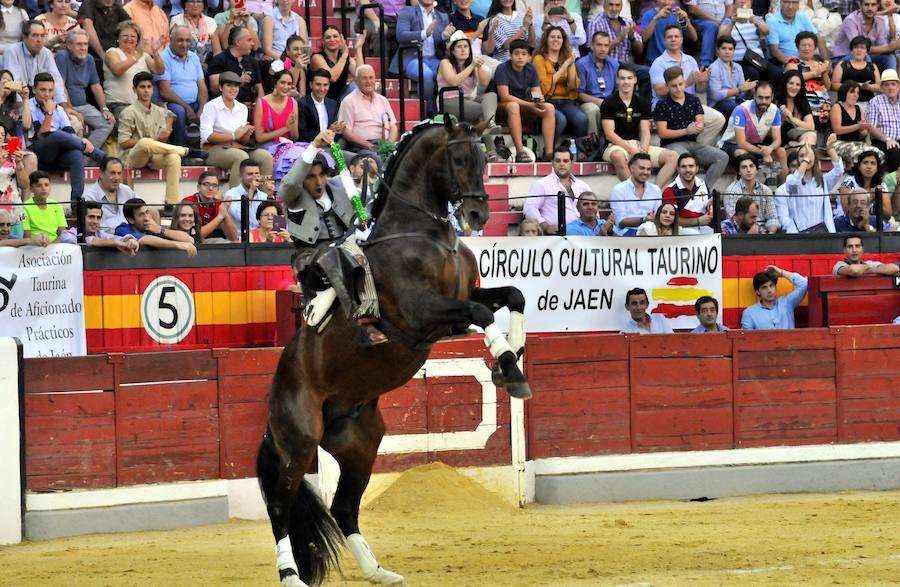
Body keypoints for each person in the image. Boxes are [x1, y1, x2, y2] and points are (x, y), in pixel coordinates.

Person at [279, 129, 386, 345]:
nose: (318, 182)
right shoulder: (294, 195)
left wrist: (374, 176)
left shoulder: (339, 186)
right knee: (339, 256)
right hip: (309, 257)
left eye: (322, 175)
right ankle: (364, 323)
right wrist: (314, 146)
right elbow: (290, 184)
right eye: (311, 176)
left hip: (345, 246)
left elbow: (367, 202)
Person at [119, 72, 207, 208]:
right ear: (134, 90)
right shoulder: (128, 112)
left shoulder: (159, 111)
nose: (146, 90)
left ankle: (170, 204)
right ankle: (185, 150)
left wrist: (168, 125)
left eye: (149, 87)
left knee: (174, 158)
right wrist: (154, 140)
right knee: (144, 142)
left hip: (155, 156)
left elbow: (171, 115)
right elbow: (124, 142)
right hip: (135, 157)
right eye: (142, 87)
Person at [25, 72, 106, 201]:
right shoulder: (29, 106)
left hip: (58, 156)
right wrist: (49, 113)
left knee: (76, 155)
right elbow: (42, 136)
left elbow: (69, 135)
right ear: (34, 90)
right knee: (56, 135)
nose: (47, 94)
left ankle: (76, 202)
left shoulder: (59, 109)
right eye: (42, 90)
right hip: (39, 154)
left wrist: (81, 141)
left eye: (50, 90)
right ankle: (98, 155)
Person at [601, 64, 678, 187]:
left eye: (629, 78)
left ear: (635, 80)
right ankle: (634, 192)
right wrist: (631, 150)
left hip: (637, 144)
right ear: (617, 80)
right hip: (616, 145)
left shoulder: (642, 102)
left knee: (673, 156)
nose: (626, 82)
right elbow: (609, 134)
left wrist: (643, 150)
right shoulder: (608, 102)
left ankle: (654, 192)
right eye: (622, 78)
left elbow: (645, 131)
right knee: (618, 156)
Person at [648, 24, 726, 146]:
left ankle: (699, 148)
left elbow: (700, 90)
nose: (673, 39)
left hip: (689, 105)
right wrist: (688, 81)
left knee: (718, 119)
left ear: (682, 39)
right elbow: (660, 91)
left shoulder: (690, 60)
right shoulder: (659, 63)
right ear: (664, 40)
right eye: (669, 37)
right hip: (667, 107)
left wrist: (702, 81)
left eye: (676, 36)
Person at [654, 66, 729, 188]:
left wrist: (698, 127)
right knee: (686, 159)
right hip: (671, 145)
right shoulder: (662, 104)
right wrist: (686, 130)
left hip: (693, 143)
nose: (678, 88)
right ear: (667, 86)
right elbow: (663, 133)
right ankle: (686, 190)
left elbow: (700, 123)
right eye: (674, 86)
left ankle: (704, 190)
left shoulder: (693, 100)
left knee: (722, 157)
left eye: (681, 84)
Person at [200, 71, 274, 187]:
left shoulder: (242, 108)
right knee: (240, 157)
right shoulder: (211, 106)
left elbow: (243, 141)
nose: (233, 89)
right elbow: (206, 136)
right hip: (213, 148)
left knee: (265, 157)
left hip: (236, 146)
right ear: (220, 87)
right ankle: (236, 199)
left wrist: (246, 134)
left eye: (236, 86)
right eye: (229, 85)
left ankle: (263, 198)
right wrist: (234, 136)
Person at [493, 39, 560, 162]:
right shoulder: (502, 68)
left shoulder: (531, 69)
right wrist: (530, 105)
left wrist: (538, 100)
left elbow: (536, 91)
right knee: (513, 106)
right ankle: (520, 152)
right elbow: (504, 96)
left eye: (523, 54)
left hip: (524, 106)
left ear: (529, 57)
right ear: (510, 55)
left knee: (549, 107)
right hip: (503, 108)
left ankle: (549, 153)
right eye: (516, 53)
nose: (520, 57)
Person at [55, 28, 114, 152]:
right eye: (79, 44)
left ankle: (85, 154)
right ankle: (78, 157)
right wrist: (70, 109)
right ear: (69, 46)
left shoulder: (89, 59)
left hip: (83, 105)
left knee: (107, 123)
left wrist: (104, 108)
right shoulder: (62, 56)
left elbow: (96, 86)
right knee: (75, 123)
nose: (83, 48)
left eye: (85, 44)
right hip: (64, 106)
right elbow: (61, 86)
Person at [718, 81, 787, 183]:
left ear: (772, 97)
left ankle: (783, 191)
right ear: (754, 95)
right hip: (731, 144)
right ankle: (744, 191)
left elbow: (777, 140)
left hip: (754, 145)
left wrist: (770, 148)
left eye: (767, 98)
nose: (763, 101)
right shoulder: (741, 110)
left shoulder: (775, 110)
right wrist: (763, 153)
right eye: (760, 97)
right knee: (742, 153)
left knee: (781, 152)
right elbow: (741, 143)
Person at [391, 0, 447, 116]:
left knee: (449, 72)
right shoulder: (408, 11)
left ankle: (446, 112)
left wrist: (444, 37)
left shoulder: (442, 17)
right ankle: (428, 113)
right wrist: (424, 33)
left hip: (435, 59)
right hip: (412, 58)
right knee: (426, 74)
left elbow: (444, 46)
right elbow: (401, 36)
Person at [776, 134, 843, 232]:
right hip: (800, 234)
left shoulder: (822, 180)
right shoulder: (792, 179)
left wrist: (831, 149)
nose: (805, 158)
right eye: (801, 156)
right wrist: (806, 159)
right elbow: (794, 182)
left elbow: (839, 170)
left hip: (821, 233)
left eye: (809, 155)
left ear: (815, 159)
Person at [157, 25, 208, 148]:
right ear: (171, 40)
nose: (184, 44)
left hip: (194, 102)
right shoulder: (163, 57)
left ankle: (202, 151)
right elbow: (164, 91)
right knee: (179, 112)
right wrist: (187, 108)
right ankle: (180, 152)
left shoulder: (194, 57)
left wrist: (202, 108)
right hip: (172, 103)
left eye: (187, 40)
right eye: (180, 40)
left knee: (209, 109)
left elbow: (201, 86)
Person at [337, 64, 399, 164]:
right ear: (356, 81)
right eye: (364, 78)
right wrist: (369, 146)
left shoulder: (383, 100)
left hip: (385, 143)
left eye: (371, 78)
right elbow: (346, 132)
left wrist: (389, 145)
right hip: (363, 147)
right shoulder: (348, 101)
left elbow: (393, 126)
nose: (369, 81)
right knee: (377, 160)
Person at [586, 0, 647, 100]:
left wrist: (632, 38)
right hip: (606, 65)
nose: (614, 8)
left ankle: (642, 106)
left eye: (617, 5)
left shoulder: (627, 22)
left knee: (647, 73)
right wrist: (618, 39)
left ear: (621, 7)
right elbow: (594, 53)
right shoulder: (595, 23)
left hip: (627, 65)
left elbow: (640, 50)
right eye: (611, 5)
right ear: (604, 5)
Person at [524, 142, 590, 233]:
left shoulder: (583, 186)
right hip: (556, 237)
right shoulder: (541, 184)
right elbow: (529, 209)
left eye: (565, 161)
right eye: (558, 161)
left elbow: (594, 210)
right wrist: (546, 226)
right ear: (552, 163)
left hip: (584, 235)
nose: (562, 164)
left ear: (572, 163)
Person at [103, 20, 164, 118]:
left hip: (142, 105)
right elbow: (117, 70)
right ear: (118, 38)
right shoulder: (112, 52)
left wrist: (155, 53)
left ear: (137, 40)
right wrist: (136, 56)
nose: (129, 39)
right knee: (136, 119)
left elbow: (159, 70)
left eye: (133, 36)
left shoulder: (143, 55)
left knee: (168, 116)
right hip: (119, 104)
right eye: (125, 36)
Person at [533, 25, 586, 137]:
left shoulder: (566, 58)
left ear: (563, 41)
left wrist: (570, 65)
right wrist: (563, 67)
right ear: (546, 40)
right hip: (547, 102)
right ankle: (552, 151)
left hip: (566, 102)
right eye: (552, 37)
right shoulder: (539, 59)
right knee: (560, 120)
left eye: (559, 37)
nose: (556, 39)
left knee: (582, 119)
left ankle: (577, 151)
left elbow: (572, 87)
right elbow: (543, 87)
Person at [437, 31, 497, 126]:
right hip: (449, 101)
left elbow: (484, 83)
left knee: (491, 96)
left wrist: (479, 66)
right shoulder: (445, 62)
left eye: (466, 46)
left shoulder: (471, 63)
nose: (463, 50)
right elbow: (454, 82)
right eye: (459, 47)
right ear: (452, 50)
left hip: (468, 99)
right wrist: (472, 66)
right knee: (482, 109)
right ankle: (489, 129)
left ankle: (491, 123)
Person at [1, 20, 66, 103]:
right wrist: (26, 109)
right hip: (14, 102)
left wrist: (62, 105)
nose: (39, 40)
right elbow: (14, 85)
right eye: (35, 35)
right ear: (24, 37)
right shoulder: (12, 51)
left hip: (38, 100)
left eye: (42, 36)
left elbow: (56, 81)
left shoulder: (46, 53)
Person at [115, 197, 198, 256]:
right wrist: (179, 245)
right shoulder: (122, 229)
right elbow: (145, 239)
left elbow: (189, 239)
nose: (147, 218)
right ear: (130, 220)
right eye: (141, 215)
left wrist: (160, 229)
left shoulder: (153, 228)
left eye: (147, 212)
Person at [766, 0, 824, 81]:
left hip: (805, 60)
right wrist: (793, 64)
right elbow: (774, 51)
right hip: (782, 62)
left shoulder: (802, 17)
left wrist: (827, 61)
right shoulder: (772, 21)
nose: (790, 6)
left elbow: (818, 38)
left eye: (794, 2)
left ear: (799, 4)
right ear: (780, 3)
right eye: (787, 2)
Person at [831, 0, 895, 73]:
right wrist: (888, 48)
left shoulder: (880, 21)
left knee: (889, 57)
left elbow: (882, 46)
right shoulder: (851, 20)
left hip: (864, 56)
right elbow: (858, 47)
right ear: (860, 6)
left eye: (873, 5)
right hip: (842, 58)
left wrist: (890, 48)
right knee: (863, 55)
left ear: (878, 6)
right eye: (866, 5)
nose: (870, 8)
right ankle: (870, 83)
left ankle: (890, 81)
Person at [783, 31, 831, 126]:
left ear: (815, 48)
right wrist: (816, 72)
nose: (807, 48)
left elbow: (828, 86)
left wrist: (824, 72)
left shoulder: (819, 64)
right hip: (802, 99)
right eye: (803, 45)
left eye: (810, 45)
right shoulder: (793, 62)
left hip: (822, 101)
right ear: (797, 47)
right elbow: (793, 77)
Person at [831, 81, 883, 168]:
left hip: (857, 142)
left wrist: (863, 128)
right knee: (860, 155)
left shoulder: (859, 108)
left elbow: (864, 133)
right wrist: (857, 126)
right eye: (852, 92)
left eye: (857, 93)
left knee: (879, 154)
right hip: (839, 142)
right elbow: (837, 130)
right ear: (844, 92)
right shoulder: (837, 107)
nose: (856, 95)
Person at [724, 153, 780, 233]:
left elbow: (773, 217)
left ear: (756, 170)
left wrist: (770, 234)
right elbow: (734, 221)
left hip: (765, 233)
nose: (748, 170)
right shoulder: (731, 191)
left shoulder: (766, 190)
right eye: (744, 167)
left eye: (751, 166)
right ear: (739, 172)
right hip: (741, 235)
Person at [611, 152, 664, 235]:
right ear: (631, 168)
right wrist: (643, 219)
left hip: (650, 232)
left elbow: (658, 217)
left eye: (648, 169)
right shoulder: (619, 189)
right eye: (642, 168)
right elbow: (620, 222)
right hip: (626, 233)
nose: (645, 172)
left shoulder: (655, 190)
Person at [575, 31, 618, 134]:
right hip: (589, 103)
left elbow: (618, 90)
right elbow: (579, 95)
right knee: (592, 110)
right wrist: (602, 103)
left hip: (609, 102)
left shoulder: (614, 64)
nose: (603, 49)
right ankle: (593, 144)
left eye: (606, 46)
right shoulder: (581, 64)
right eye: (599, 45)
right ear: (592, 46)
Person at [209, 27, 263, 107]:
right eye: (249, 40)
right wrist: (239, 81)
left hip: (250, 107)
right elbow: (214, 89)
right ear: (238, 42)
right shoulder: (219, 60)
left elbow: (260, 88)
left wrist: (258, 105)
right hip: (226, 108)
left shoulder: (253, 62)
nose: (253, 43)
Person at [740, 265, 808, 330]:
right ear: (757, 292)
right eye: (764, 287)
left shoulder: (787, 303)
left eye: (771, 285)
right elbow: (746, 339)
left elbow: (805, 283)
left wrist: (781, 273)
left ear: (775, 287)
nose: (769, 290)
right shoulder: (749, 313)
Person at [58, 200, 139, 253]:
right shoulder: (67, 234)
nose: (95, 222)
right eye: (91, 217)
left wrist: (130, 240)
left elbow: (118, 238)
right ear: (81, 218)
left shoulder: (100, 233)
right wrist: (114, 242)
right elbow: (84, 241)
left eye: (98, 218)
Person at [716, 0, 769, 81]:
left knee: (776, 73)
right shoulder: (728, 20)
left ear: (751, 4)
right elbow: (721, 38)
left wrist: (756, 22)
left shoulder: (756, 18)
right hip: (738, 60)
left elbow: (767, 31)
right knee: (753, 73)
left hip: (756, 59)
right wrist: (732, 23)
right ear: (734, 4)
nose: (743, 1)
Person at [661, 152, 713, 233]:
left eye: (691, 166)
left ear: (697, 168)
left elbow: (709, 209)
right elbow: (669, 220)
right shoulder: (669, 190)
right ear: (678, 169)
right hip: (681, 230)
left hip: (704, 228)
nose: (688, 170)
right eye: (683, 167)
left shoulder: (703, 185)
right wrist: (698, 221)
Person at [310, 25, 363, 103]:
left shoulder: (345, 58)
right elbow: (332, 77)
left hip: (342, 98)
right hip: (324, 98)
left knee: (356, 86)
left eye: (335, 36)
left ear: (341, 39)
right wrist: (344, 55)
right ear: (323, 41)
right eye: (328, 37)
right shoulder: (317, 57)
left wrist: (358, 48)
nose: (332, 39)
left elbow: (361, 75)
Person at [182, 171, 238, 241]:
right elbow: (197, 236)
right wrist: (220, 217)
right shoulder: (189, 202)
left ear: (218, 190)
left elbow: (233, 238)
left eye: (214, 185)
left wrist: (225, 213)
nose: (211, 188)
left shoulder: (219, 204)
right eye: (206, 184)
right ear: (198, 187)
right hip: (192, 242)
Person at [82, 156, 134, 232]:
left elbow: (141, 209)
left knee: (153, 213)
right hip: (108, 238)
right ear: (101, 174)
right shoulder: (89, 197)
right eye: (113, 173)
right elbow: (93, 228)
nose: (117, 177)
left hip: (131, 235)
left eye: (119, 173)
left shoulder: (126, 190)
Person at [641, 0, 699, 67]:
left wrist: (686, 21)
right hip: (654, 61)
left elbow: (694, 38)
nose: (666, 2)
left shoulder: (677, 14)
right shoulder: (648, 14)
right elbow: (644, 38)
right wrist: (656, 18)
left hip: (677, 61)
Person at [708, 35, 754, 118]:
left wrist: (749, 91)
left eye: (730, 49)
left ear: (733, 51)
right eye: (724, 48)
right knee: (740, 110)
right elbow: (716, 95)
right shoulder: (713, 68)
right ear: (717, 50)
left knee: (755, 106)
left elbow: (742, 94)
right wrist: (739, 89)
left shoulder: (738, 67)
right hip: (718, 104)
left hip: (735, 101)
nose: (727, 52)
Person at [839, 150, 891, 219]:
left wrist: (877, 202)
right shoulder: (849, 182)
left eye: (873, 163)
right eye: (865, 163)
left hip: (872, 223)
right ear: (859, 166)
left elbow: (888, 215)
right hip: (847, 223)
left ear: (877, 168)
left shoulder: (881, 185)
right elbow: (847, 210)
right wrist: (870, 199)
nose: (869, 167)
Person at [830, 37, 881, 106]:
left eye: (862, 48)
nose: (859, 50)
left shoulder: (872, 66)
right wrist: (853, 86)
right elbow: (833, 85)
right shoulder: (842, 65)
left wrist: (867, 87)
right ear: (851, 50)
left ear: (867, 52)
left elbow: (879, 87)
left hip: (867, 103)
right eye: (856, 47)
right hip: (845, 103)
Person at [866, 69, 900, 171]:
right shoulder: (875, 102)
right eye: (887, 85)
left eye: (893, 84)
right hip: (883, 141)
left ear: (898, 87)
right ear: (882, 88)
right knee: (894, 150)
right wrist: (887, 139)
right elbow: (871, 127)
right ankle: (895, 183)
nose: (890, 87)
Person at [481, 0, 535, 64]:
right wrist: (523, 28)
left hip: (522, 62)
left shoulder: (522, 16)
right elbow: (506, 45)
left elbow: (530, 42)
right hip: (504, 63)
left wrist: (530, 24)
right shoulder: (495, 20)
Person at [774, 69, 817, 151]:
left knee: (811, 135)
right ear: (785, 84)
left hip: (797, 142)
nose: (794, 87)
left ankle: (799, 150)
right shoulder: (776, 101)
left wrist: (793, 120)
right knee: (805, 148)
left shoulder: (802, 101)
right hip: (779, 143)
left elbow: (811, 126)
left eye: (798, 84)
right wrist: (781, 120)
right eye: (791, 83)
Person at [169, 0, 220, 67]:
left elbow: (216, 49)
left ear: (203, 6)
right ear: (185, 5)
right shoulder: (176, 20)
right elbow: (175, 48)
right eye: (191, 1)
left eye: (199, 1)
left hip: (208, 63)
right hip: (184, 62)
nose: (195, 5)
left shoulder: (211, 22)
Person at [77, 0, 130, 65]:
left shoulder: (116, 6)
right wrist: (103, 56)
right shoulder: (88, 4)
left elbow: (131, 26)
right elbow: (88, 28)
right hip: (94, 57)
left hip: (115, 55)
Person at [298, 68, 341, 144]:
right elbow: (302, 135)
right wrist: (328, 131)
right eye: (318, 84)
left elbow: (335, 131)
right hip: (310, 146)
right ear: (311, 85)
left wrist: (339, 129)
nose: (322, 89)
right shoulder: (302, 104)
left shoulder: (332, 104)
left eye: (325, 85)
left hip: (331, 145)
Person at [22, 169, 64, 240]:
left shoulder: (56, 205)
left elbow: (62, 233)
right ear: (31, 189)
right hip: (33, 245)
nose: (43, 188)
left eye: (46, 185)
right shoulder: (24, 207)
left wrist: (53, 245)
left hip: (56, 245)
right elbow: (27, 236)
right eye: (39, 185)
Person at [833, 233, 900, 275]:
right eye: (850, 246)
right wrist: (875, 270)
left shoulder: (869, 264)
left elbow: (895, 268)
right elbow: (854, 270)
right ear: (844, 250)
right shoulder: (839, 265)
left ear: (862, 249)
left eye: (857, 246)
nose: (854, 250)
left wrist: (866, 269)